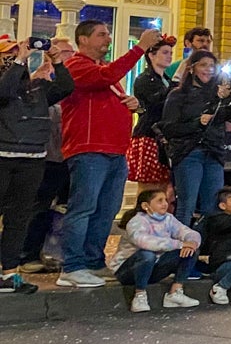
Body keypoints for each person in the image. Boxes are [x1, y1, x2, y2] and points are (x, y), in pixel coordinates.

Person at [58, 22, 165, 288]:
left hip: (114, 151)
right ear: (83, 39)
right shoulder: (76, 65)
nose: (107, 39)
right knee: (83, 208)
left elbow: (106, 82)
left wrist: (134, 104)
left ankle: (93, 262)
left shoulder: (101, 73)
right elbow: (105, 76)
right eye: (101, 34)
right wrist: (140, 47)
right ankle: (71, 266)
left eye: (108, 34)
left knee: (106, 210)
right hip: (89, 148)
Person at [0, 35, 74, 294]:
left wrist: (57, 61)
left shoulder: (36, 88)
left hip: (32, 159)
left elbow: (65, 87)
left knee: (18, 218)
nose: (12, 57)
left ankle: (9, 273)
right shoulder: (6, 83)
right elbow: (4, 91)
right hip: (3, 156)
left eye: (14, 52)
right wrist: (20, 60)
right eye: (7, 54)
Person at [162, 51, 231, 226]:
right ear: (192, 68)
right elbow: (169, 128)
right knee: (187, 204)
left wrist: (228, 98)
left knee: (212, 206)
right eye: (203, 65)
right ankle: (181, 249)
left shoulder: (219, 95)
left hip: (214, 153)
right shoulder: (178, 95)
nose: (209, 70)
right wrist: (197, 122)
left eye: (212, 66)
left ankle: (204, 245)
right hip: (189, 153)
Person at [111, 188, 200, 311]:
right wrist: (179, 244)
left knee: (191, 250)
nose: (165, 204)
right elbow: (144, 241)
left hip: (153, 269)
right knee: (147, 255)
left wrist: (192, 242)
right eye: (159, 201)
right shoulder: (137, 221)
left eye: (165, 200)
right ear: (146, 206)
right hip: (128, 271)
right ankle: (139, 295)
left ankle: (175, 293)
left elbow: (186, 232)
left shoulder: (169, 219)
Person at [18, 105, 68, 273]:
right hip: (45, 158)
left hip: (71, 157)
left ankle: (55, 253)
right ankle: (27, 254)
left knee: (64, 209)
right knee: (39, 207)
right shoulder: (43, 95)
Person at [128, 39, 176, 191]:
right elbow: (156, 103)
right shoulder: (144, 79)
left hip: (165, 136)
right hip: (150, 134)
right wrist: (176, 83)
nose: (169, 56)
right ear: (151, 55)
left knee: (164, 185)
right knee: (149, 187)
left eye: (170, 53)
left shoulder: (165, 80)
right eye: (165, 52)